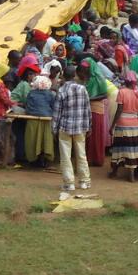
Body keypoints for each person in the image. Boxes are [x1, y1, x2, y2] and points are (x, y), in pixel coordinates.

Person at [53, 63, 92, 192]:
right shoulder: (82, 89)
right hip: (80, 127)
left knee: (65, 156)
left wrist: (54, 129)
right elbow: (87, 110)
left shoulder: (62, 90)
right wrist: (89, 126)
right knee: (81, 154)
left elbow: (57, 112)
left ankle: (69, 183)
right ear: (75, 75)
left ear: (64, 75)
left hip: (65, 127)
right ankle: (84, 181)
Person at [109, 72, 138, 182]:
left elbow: (119, 110)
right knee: (132, 149)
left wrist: (112, 126)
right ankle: (131, 174)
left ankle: (114, 171)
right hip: (135, 125)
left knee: (118, 148)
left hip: (122, 123)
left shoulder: (122, 92)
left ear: (126, 81)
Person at [83, 59, 115, 168]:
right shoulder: (86, 78)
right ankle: (88, 157)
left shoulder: (99, 78)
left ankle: (97, 159)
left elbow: (104, 94)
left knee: (96, 133)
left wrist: (90, 99)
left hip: (97, 107)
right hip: (87, 108)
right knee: (88, 134)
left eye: (86, 67)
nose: (85, 69)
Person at [23, 74, 56, 165]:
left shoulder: (31, 93)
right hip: (47, 119)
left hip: (32, 119)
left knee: (32, 140)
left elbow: (27, 106)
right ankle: (45, 160)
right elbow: (53, 107)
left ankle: (33, 160)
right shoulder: (50, 94)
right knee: (45, 141)